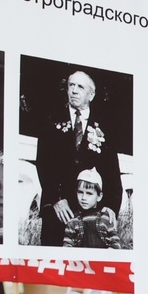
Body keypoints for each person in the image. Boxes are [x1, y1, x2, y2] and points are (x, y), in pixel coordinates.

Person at [34, 71, 122, 246]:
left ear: (91, 95)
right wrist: (56, 199)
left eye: (80, 87)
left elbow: (112, 170)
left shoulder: (104, 126)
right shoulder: (51, 120)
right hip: (59, 210)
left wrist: (111, 206)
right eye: (71, 85)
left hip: (92, 214)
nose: (74, 90)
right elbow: (43, 164)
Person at [62, 168, 121, 249]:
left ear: (99, 196)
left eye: (89, 193)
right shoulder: (73, 220)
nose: (83, 198)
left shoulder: (105, 218)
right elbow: (67, 245)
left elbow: (115, 243)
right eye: (80, 192)